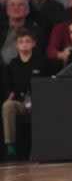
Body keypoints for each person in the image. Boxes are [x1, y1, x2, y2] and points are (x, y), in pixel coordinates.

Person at [2, 28, 45, 159]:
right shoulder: (12, 65)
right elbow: (10, 89)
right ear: (16, 44)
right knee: (8, 106)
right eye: (21, 42)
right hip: (21, 103)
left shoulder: (42, 62)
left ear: (34, 43)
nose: (24, 44)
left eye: (27, 41)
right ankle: (10, 146)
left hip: (40, 104)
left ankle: (40, 147)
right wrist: (9, 99)